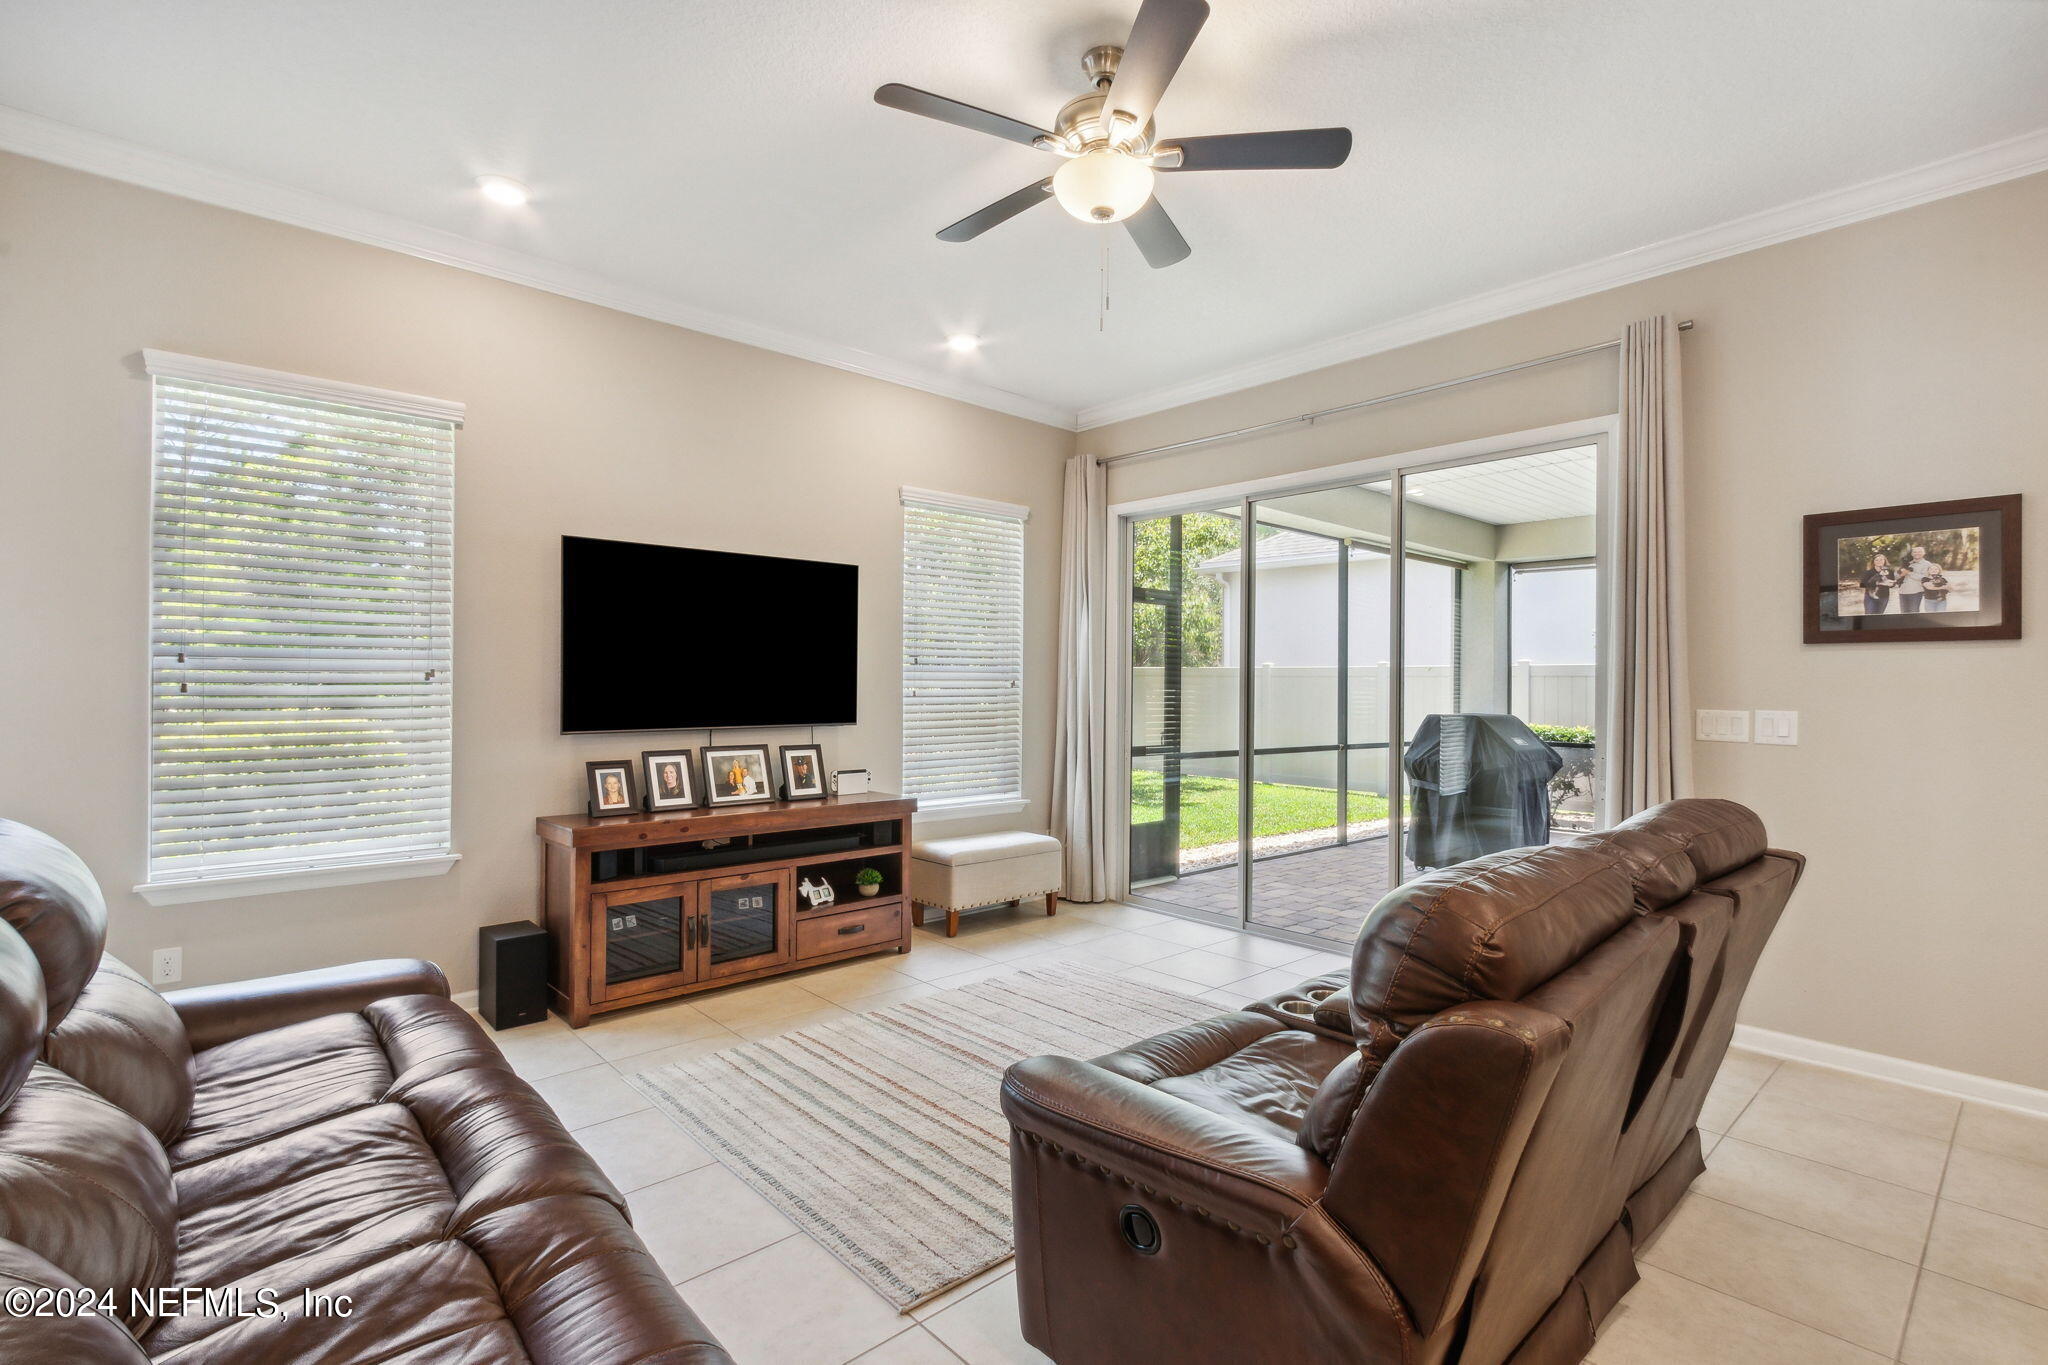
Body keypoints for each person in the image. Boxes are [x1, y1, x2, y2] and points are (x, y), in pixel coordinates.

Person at [1895, 544, 1930, 613]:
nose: (1917, 553)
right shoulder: (1907, 563)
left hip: (1916, 592)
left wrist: (1908, 572)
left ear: (1924, 553)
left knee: (1914, 612)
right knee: (1903, 613)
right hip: (1903, 591)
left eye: (1919, 551)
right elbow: (1896, 576)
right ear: (1911, 554)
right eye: (1915, 552)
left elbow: (1924, 578)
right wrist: (1900, 573)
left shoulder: (1927, 564)